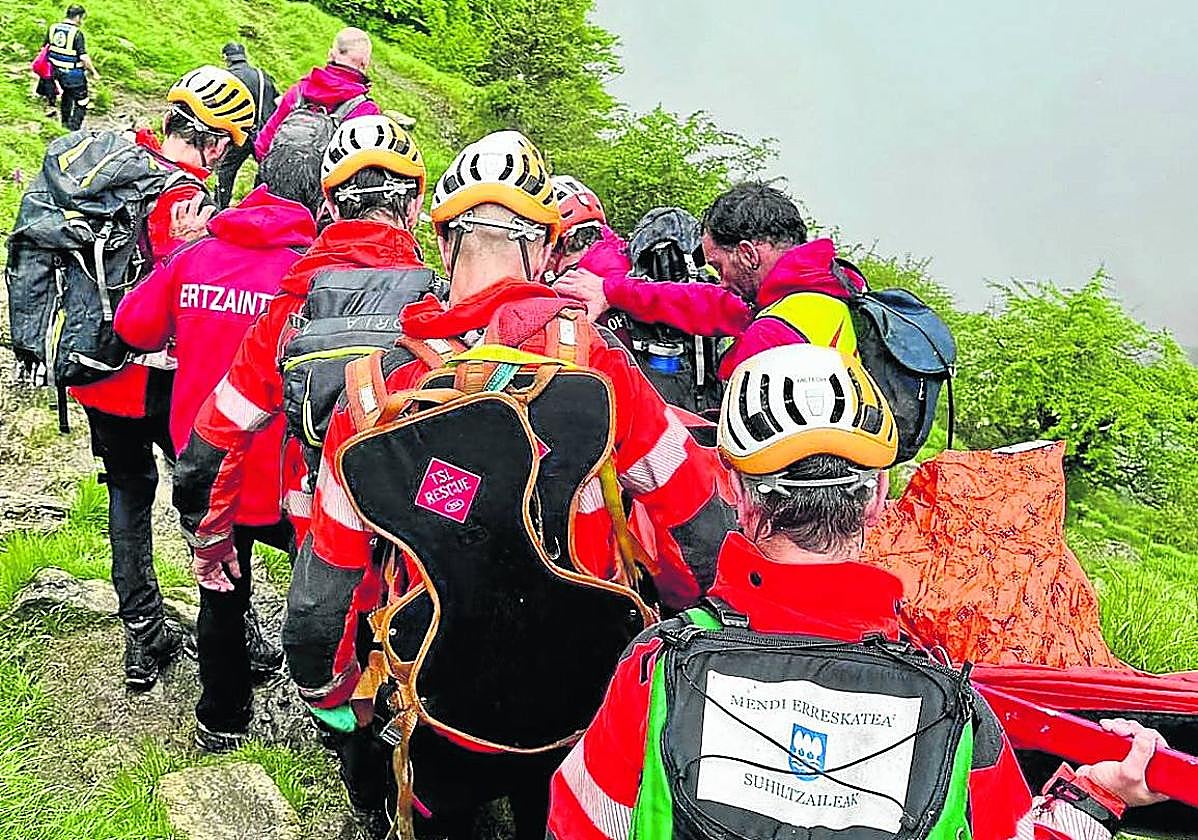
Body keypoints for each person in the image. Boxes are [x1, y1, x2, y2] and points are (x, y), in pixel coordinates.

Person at [282, 130, 734, 838]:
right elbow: (701, 523)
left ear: (440, 244)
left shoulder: (373, 394)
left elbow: (320, 600)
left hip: (435, 695)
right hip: (580, 695)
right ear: (549, 250)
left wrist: (338, 697)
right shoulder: (600, 369)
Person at [548, 343, 1172, 840]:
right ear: (877, 498)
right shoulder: (954, 712)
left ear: (735, 492)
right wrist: (1098, 794)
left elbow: (577, 823)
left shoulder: (653, 673)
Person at [113, 141, 322, 751]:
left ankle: (221, 719)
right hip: (285, 477)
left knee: (221, 593)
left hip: (206, 469)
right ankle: (328, 715)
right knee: (318, 585)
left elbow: (132, 326)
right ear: (319, 198)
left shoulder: (197, 255)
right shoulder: (312, 276)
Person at [172, 115, 427, 604]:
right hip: (412, 571)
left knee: (326, 660)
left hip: (320, 552)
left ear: (328, 204)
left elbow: (211, 447)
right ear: (414, 206)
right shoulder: (438, 311)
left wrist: (209, 538)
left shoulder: (290, 311)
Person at [67, 66, 255, 691]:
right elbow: (176, 296)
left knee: (127, 494)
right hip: (156, 381)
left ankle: (142, 635)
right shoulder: (185, 195)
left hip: (95, 373)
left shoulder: (107, 168)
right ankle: (232, 628)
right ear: (220, 144)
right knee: (200, 497)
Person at [555, 180, 864, 381]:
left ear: (747, 254)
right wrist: (612, 290)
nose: (722, 281)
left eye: (718, 265)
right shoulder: (824, 288)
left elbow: (727, 440)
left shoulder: (772, 332)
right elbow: (706, 302)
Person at [253, 27, 380, 160]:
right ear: (365, 62)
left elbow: (262, 145)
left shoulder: (298, 92)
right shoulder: (366, 110)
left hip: (275, 176)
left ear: (331, 54)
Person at [214, 42, 279, 209]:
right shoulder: (262, 75)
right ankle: (260, 207)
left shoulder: (227, 77)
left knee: (226, 171)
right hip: (263, 135)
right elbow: (276, 103)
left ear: (226, 57)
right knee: (265, 173)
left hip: (239, 134)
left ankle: (220, 207)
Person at [44, 4, 99, 130]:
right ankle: (74, 129)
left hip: (55, 71)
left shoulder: (53, 28)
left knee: (67, 95)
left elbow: (45, 48)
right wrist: (94, 72)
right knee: (82, 102)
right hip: (73, 74)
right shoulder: (77, 33)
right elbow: (83, 57)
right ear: (78, 17)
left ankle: (64, 124)